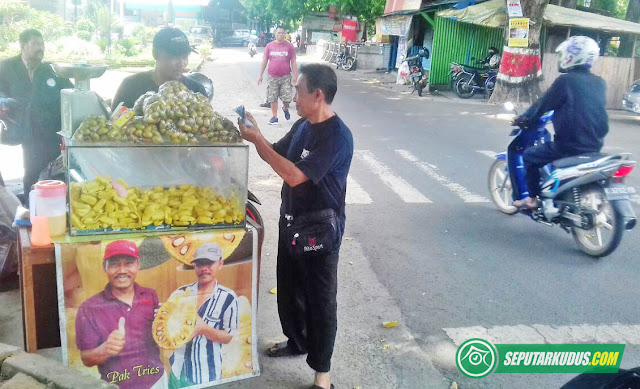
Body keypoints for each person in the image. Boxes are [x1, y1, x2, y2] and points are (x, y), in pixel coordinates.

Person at [239, 64, 353, 389]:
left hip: (321, 231)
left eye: (298, 91)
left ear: (317, 95)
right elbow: (276, 154)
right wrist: (256, 134)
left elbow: (293, 175)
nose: (293, 97)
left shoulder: (337, 136)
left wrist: (257, 138)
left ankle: (322, 375)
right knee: (289, 291)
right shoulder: (303, 124)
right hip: (292, 223)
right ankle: (296, 341)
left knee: (320, 301)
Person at [512, 36, 607, 210]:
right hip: (595, 145)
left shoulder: (565, 81)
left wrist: (523, 119)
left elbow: (542, 105)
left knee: (530, 156)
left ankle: (532, 200)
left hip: (569, 145)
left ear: (571, 56)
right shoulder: (600, 83)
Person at [75, 240, 166, 389]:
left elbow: (161, 336)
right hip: (116, 385)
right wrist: (105, 349)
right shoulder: (89, 308)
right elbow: (86, 359)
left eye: (129, 263)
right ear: (105, 267)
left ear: (138, 265)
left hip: (156, 381)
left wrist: (167, 322)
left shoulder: (150, 296)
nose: (122, 270)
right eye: (115, 264)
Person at [0, 29, 72, 200]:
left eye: (42, 44)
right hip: (25, 128)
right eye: (36, 44)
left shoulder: (51, 69)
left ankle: (55, 204)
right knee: (31, 171)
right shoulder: (7, 66)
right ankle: (30, 207)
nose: (41, 48)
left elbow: (70, 91)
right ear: (23, 46)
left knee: (55, 171)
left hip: (51, 130)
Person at [168, 243, 238, 387]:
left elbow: (228, 337)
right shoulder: (180, 293)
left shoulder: (228, 297)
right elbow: (168, 327)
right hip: (177, 371)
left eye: (209, 263)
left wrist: (204, 329)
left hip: (208, 374)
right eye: (200, 264)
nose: (204, 268)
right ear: (194, 266)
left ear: (220, 263)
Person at [111, 27, 206, 111]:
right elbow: (115, 125)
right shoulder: (131, 86)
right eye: (174, 56)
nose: (181, 63)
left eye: (185, 57)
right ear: (155, 54)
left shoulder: (196, 90)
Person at [258, 25, 297, 125]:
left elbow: (293, 61)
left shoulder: (289, 46)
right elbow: (264, 61)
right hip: (272, 77)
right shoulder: (269, 46)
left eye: (282, 33)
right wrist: (260, 75)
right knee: (272, 97)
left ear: (285, 34)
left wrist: (296, 76)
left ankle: (285, 108)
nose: (280, 35)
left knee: (287, 98)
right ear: (275, 34)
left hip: (285, 76)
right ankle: (274, 117)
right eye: (278, 33)